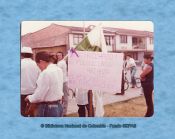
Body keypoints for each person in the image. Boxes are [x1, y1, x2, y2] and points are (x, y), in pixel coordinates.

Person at [25, 51, 64, 117]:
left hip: (48, 108)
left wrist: (29, 97)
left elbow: (39, 96)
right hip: (58, 106)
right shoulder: (58, 69)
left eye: (38, 64)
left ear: (41, 61)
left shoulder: (45, 73)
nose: (38, 67)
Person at [21, 47, 40, 117]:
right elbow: (39, 78)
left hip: (21, 92)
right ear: (31, 55)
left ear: (21, 55)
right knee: (32, 112)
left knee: (22, 112)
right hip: (33, 92)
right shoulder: (36, 64)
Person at [57, 51, 68, 116]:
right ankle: (62, 111)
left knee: (65, 98)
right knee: (61, 98)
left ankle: (64, 113)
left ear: (62, 56)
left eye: (59, 55)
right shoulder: (59, 62)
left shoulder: (62, 63)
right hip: (60, 82)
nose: (58, 56)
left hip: (64, 82)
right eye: (57, 55)